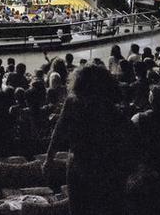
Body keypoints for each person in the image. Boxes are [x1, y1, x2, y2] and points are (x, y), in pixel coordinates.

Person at [43, 65, 131, 215]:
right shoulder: (111, 107)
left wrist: (49, 159)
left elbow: (59, 131)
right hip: (106, 165)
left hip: (79, 164)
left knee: (78, 208)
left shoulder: (73, 102)